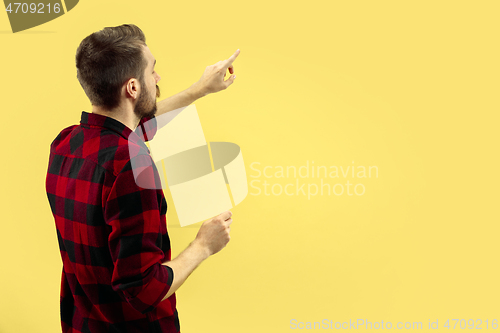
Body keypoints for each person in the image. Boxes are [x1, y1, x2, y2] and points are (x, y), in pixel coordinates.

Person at [45, 24, 240, 333]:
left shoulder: (67, 144)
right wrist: (204, 245)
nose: (158, 78)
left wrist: (199, 89)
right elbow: (142, 289)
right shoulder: (131, 166)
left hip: (82, 324)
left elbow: (133, 127)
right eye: (153, 71)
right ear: (133, 88)